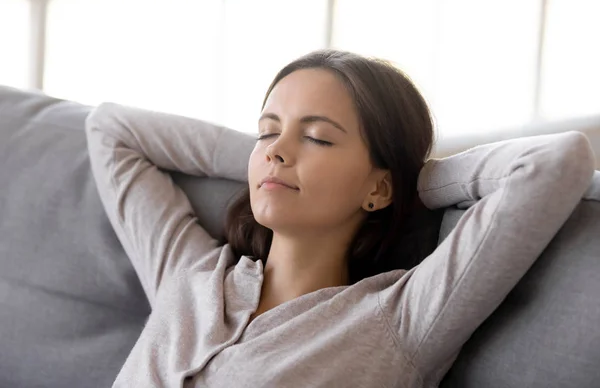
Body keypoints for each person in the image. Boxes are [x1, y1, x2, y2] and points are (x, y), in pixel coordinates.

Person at [85, 49, 595, 388]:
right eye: (268, 130)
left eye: (318, 137)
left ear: (377, 186)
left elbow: (556, 161)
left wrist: (408, 181)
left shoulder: (398, 321)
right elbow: (111, 128)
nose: (277, 151)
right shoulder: (189, 272)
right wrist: (268, 154)